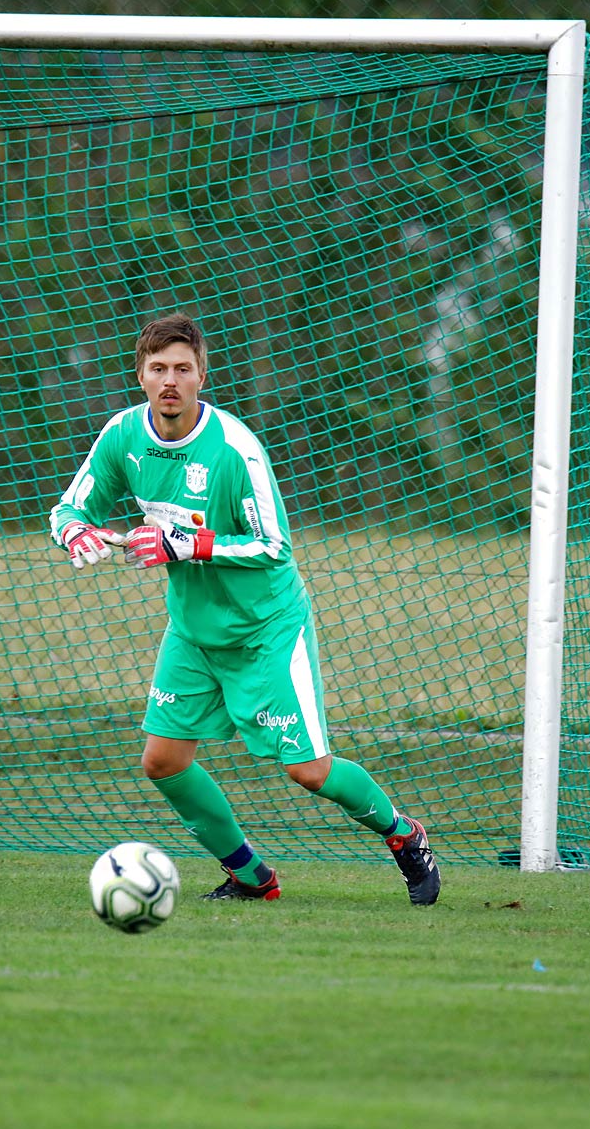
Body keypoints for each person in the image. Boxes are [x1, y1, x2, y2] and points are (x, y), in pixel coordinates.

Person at [47, 313, 439, 905]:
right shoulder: (123, 436)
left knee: (308, 771)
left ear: (202, 374)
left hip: (267, 630)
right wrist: (75, 533)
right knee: (162, 760)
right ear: (141, 376)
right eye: (158, 369)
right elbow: (68, 509)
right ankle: (252, 877)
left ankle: (404, 835)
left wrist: (184, 542)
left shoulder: (234, 449)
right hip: (195, 633)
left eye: (182, 368)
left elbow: (274, 545)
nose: (170, 381)